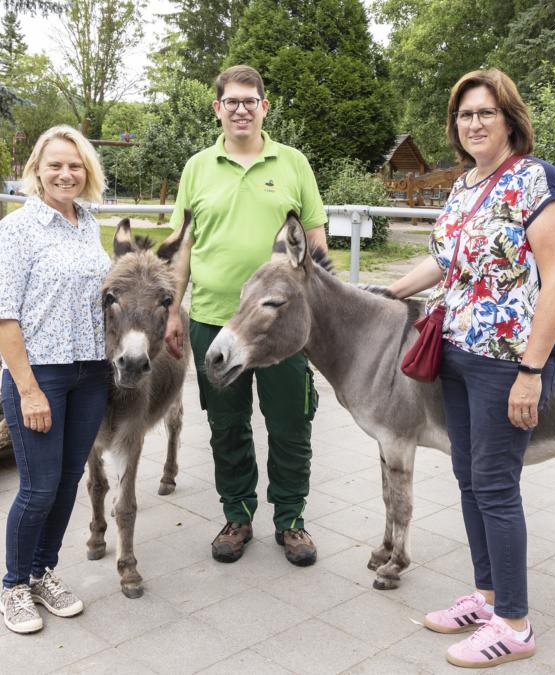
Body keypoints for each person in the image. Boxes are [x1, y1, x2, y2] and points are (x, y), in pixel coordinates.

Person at [386, 69, 555, 668]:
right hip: (458, 354)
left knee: (496, 486)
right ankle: (488, 597)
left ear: (510, 118)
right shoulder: (466, 186)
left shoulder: (534, 180)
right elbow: (444, 263)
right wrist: (386, 293)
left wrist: (531, 371)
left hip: (506, 362)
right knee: (470, 480)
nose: (473, 124)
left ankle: (515, 625)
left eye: (485, 113)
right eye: (465, 115)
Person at [163, 65, 328, 567]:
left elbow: (316, 245)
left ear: (264, 106)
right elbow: (183, 247)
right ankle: (236, 514)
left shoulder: (294, 164)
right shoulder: (197, 168)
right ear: (217, 108)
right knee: (228, 425)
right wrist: (173, 310)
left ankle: (291, 520)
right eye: (231, 101)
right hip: (214, 321)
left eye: (249, 100)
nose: (240, 109)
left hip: (282, 330)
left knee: (290, 422)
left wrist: (318, 321)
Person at [0, 125, 113, 634]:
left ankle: (43, 573)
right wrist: (29, 388)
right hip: (41, 374)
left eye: (75, 165)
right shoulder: (17, 229)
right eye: (55, 164)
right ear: (36, 170)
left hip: (92, 373)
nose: (66, 174)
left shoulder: (88, 223)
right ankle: (14, 587)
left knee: (67, 483)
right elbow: (3, 317)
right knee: (38, 488)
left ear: (88, 173)